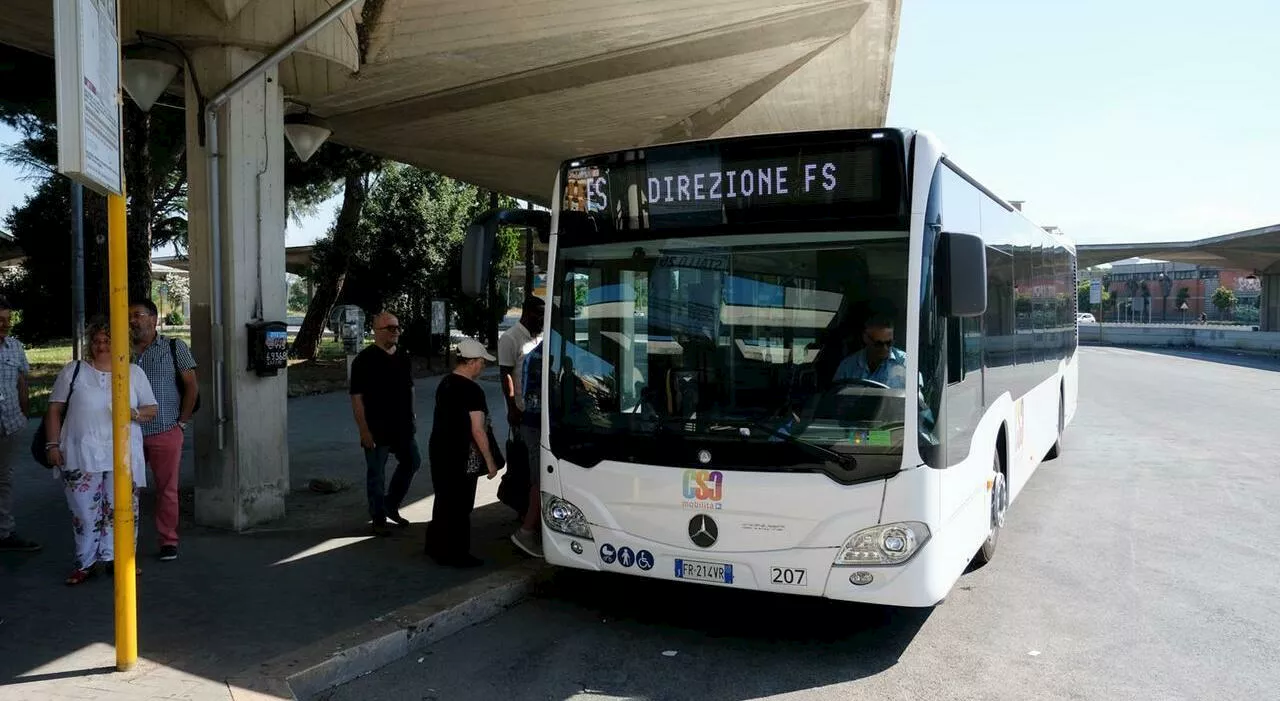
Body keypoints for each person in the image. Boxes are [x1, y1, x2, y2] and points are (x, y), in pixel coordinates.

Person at [45, 318, 158, 585]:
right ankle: (85, 562)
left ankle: (118, 559)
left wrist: (134, 413)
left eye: (107, 341)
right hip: (80, 451)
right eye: (96, 341)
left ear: (121, 343)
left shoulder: (133, 373)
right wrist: (52, 445)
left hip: (122, 454)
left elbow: (151, 409)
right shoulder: (74, 371)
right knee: (84, 511)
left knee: (122, 509)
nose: (101, 346)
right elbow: (54, 409)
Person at [129, 298, 198, 561]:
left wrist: (181, 422)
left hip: (165, 430)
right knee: (125, 488)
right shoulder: (122, 350)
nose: (133, 321)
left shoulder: (173, 347)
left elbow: (192, 386)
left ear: (154, 318)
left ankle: (168, 540)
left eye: (138, 314)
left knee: (167, 489)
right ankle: (122, 542)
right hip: (129, 433)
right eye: (130, 316)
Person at [426, 337, 499, 568]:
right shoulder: (472, 390)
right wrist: (489, 461)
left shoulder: (446, 383)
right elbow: (477, 429)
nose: (483, 366)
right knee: (461, 506)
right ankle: (456, 553)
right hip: (461, 455)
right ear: (472, 362)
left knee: (443, 500)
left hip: (439, 449)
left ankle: (435, 545)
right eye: (482, 362)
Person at [350, 311, 421, 537]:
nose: (396, 332)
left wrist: (413, 414)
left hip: (403, 426)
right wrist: (364, 431)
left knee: (412, 461)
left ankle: (391, 504)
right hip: (376, 428)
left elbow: (410, 388)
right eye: (390, 328)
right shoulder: (364, 360)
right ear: (376, 331)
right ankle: (378, 517)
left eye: (397, 327)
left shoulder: (403, 357)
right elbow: (356, 397)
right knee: (376, 474)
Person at [498, 296, 544, 557]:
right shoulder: (511, 338)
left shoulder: (537, 336)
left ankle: (528, 516)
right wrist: (513, 408)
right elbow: (506, 374)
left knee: (531, 469)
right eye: (539, 314)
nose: (542, 319)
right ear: (527, 313)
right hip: (523, 415)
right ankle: (525, 519)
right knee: (527, 467)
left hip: (538, 413)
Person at [0, 297, 39, 553]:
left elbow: (22, 382)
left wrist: (24, 413)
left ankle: (4, 531)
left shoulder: (15, 347)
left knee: (4, 479)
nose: (4, 325)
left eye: (7, 320)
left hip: (10, 424)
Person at [832, 317, 908, 389]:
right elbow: (835, 398)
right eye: (879, 344)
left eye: (889, 343)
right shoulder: (848, 367)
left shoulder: (905, 363)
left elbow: (918, 397)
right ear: (865, 339)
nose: (885, 348)